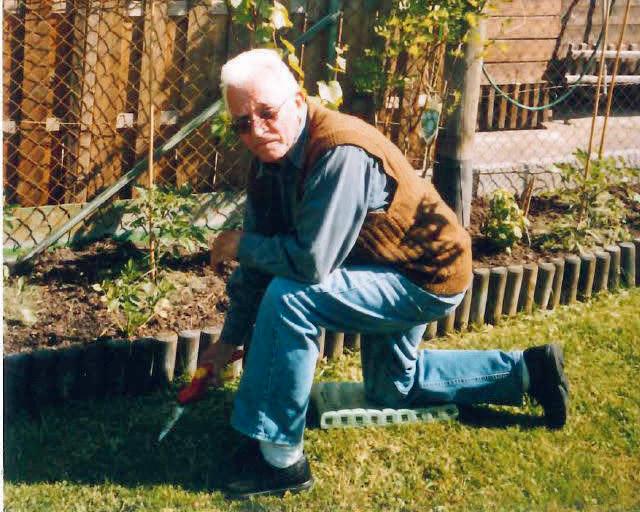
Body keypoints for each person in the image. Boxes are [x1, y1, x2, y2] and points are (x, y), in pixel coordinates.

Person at [201, 48, 569, 500]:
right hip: (387, 265)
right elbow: (261, 258)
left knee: (291, 296)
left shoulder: (338, 151)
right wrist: (229, 340)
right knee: (392, 389)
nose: (256, 131)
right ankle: (529, 371)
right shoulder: (270, 158)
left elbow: (311, 264)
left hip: (426, 276)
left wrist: (240, 244)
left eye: (266, 113)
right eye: (242, 123)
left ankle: (279, 460)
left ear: (297, 102)